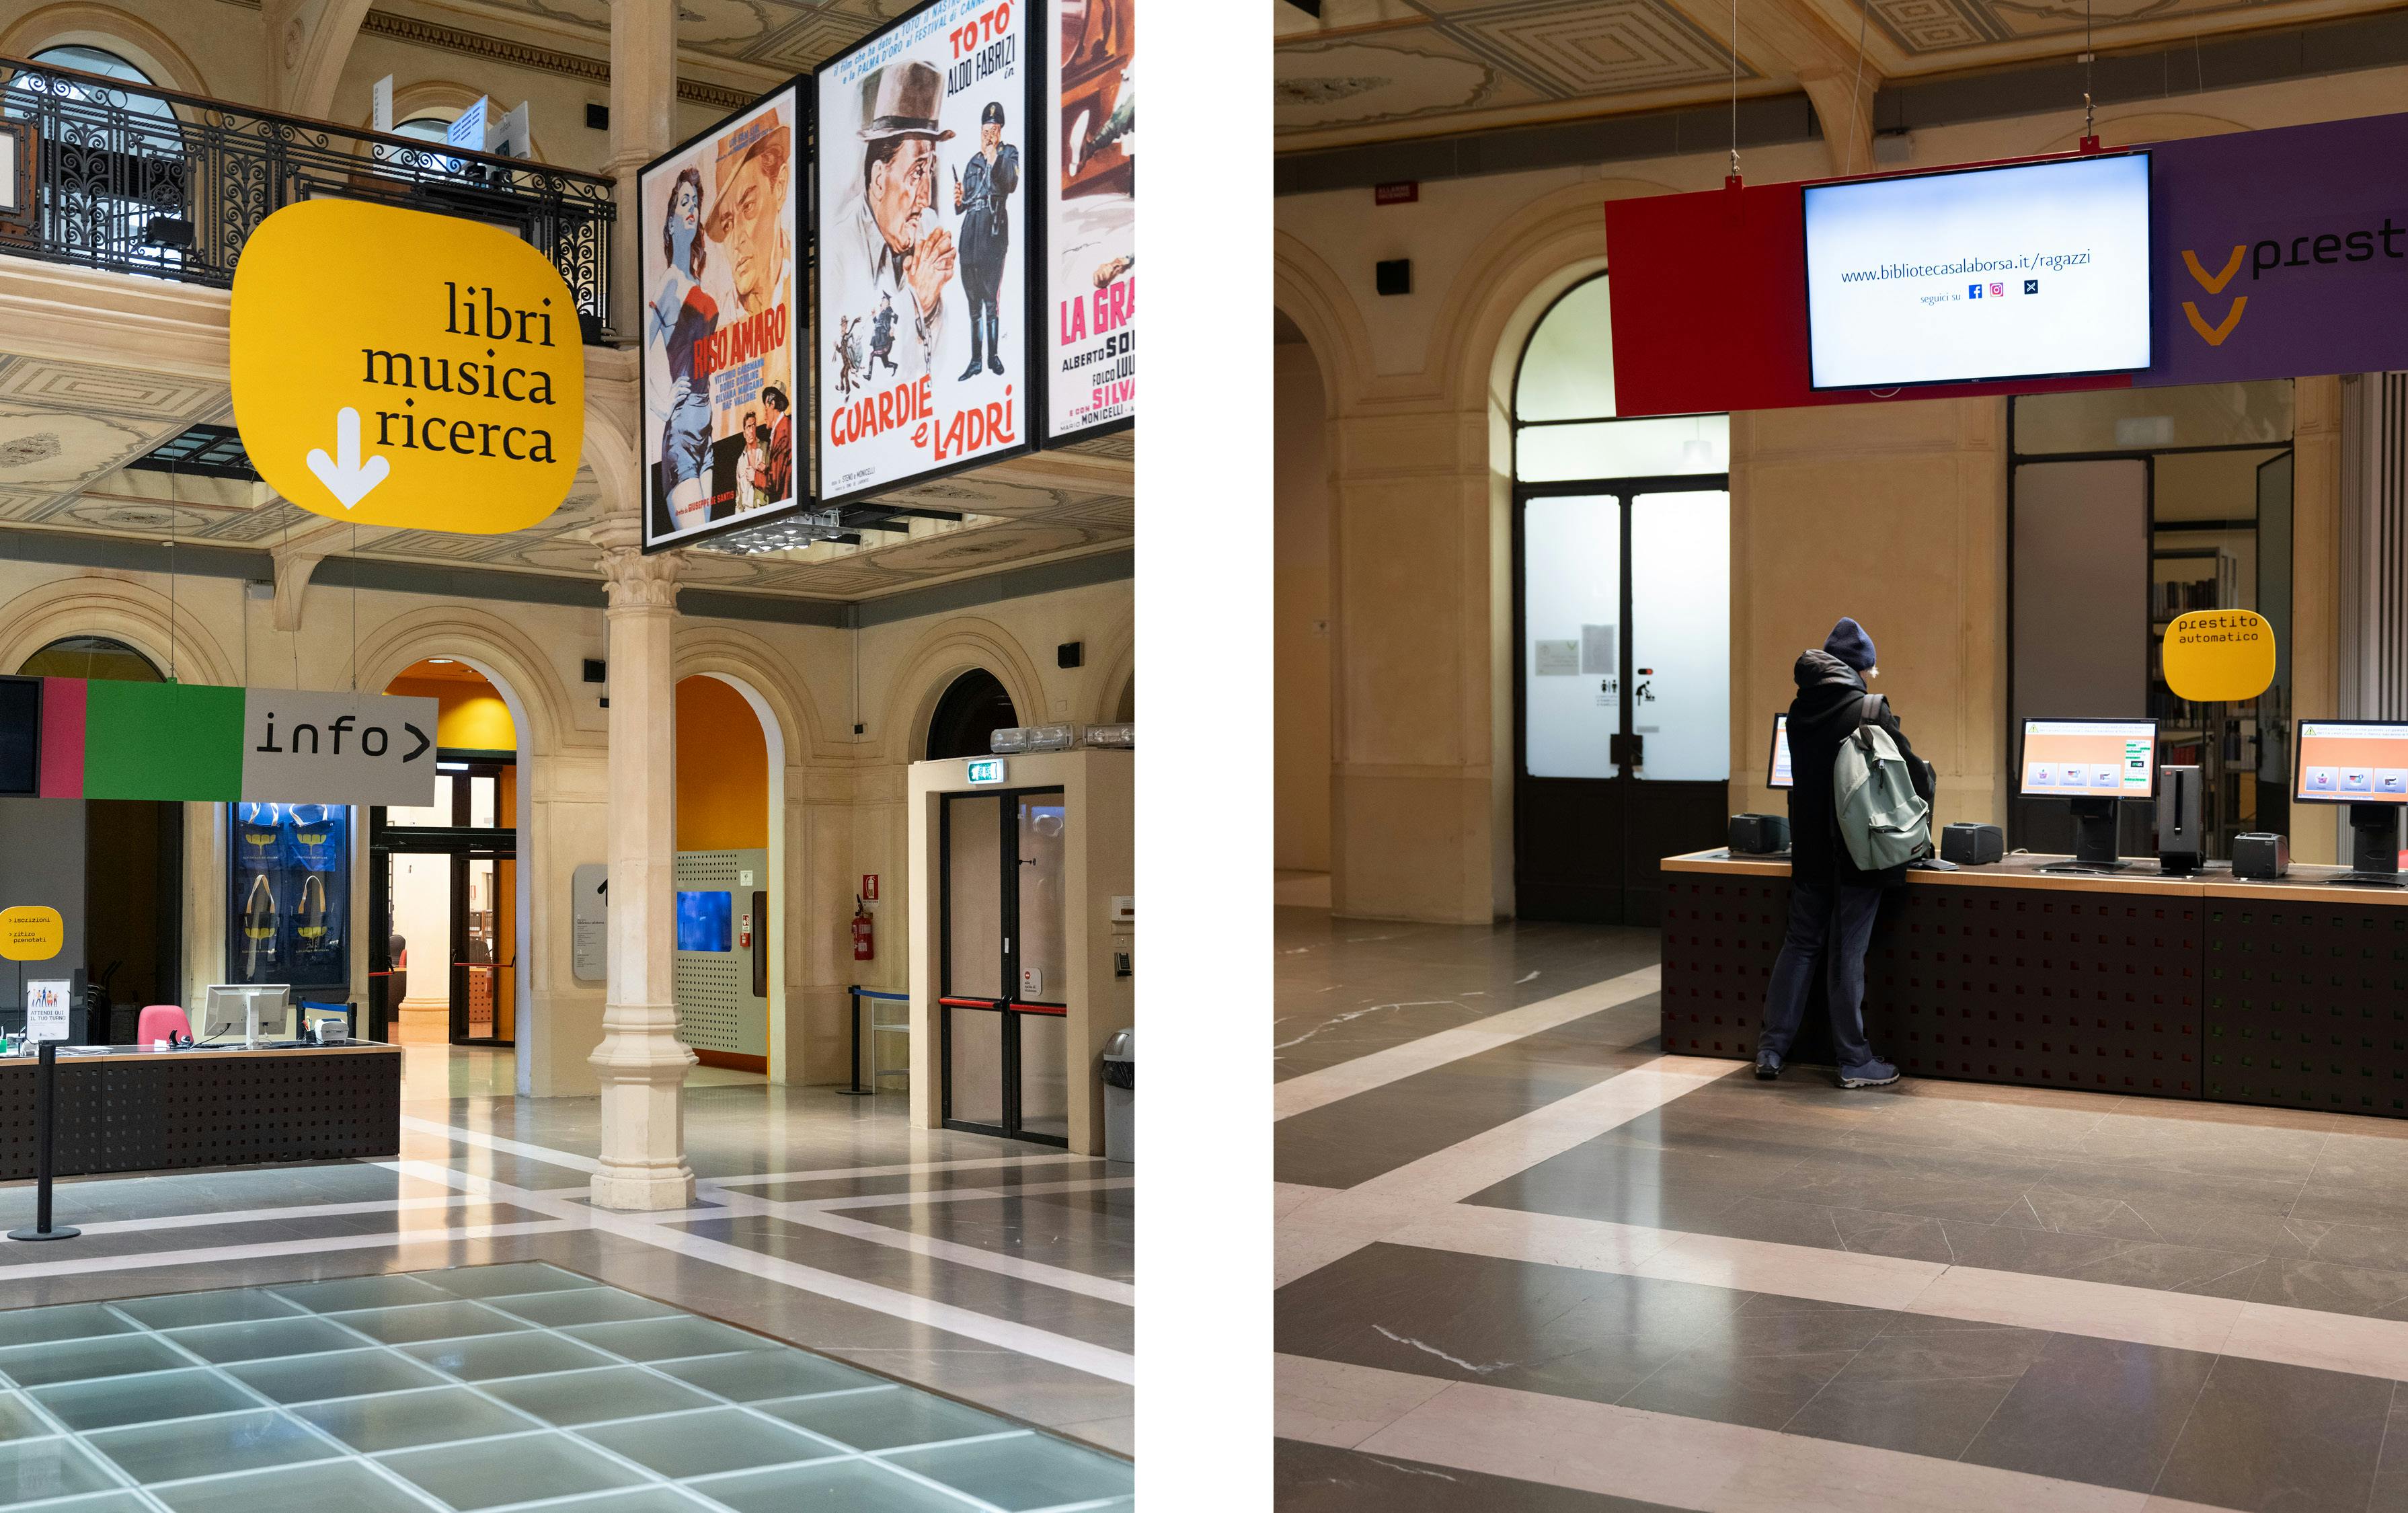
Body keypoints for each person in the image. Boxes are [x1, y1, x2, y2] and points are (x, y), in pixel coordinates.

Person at [1754, 617, 1931, 1089]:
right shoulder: (1869, 709)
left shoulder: (1798, 709)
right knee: (1845, 953)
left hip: (1808, 851)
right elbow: (1913, 778)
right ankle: (1854, 1061)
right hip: (1861, 852)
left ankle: (1771, 1049)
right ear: (1858, 668)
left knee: (1799, 945)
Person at [829, 61, 956, 383]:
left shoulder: (928, 225)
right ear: (879, 179)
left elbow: (943, 376)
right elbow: (854, 384)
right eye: (916, 172)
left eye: (930, 171)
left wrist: (932, 309)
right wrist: (918, 303)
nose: (926, 196)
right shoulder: (838, 252)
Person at [646, 166, 717, 533]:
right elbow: (640, 352)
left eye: (695, 203)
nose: (692, 208)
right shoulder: (669, 284)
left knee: (704, 542)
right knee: (694, 537)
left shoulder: (697, 281)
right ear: (672, 223)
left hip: (707, 426)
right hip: (682, 433)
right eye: (684, 203)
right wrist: (661, 403)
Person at [701, 114, 791, 319]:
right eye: (727, 225)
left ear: (780, 186)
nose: (736, 241)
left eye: (748, 206)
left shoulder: (800, 283)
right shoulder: (718, 322)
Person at [954, 100, 1018, 382]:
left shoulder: (1008, 154)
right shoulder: (972, 162)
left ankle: (993, 357)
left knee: (990, 302)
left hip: (992, 235)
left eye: (993, 128)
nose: (988, 134)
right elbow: (964, 203)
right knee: (973, 306)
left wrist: (994, 156)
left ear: (1000, 130)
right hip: (970, 237)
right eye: (985, 129)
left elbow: (1010, 184)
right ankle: (976, 361)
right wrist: (958, 201)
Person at [759, 384, 792, 503]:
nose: (764, 416)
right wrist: (767, 470)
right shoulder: (784, 428)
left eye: (765, 409)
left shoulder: (783, 432)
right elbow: (781, 470)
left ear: (772, 404)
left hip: (786, 506)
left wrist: (754, 476)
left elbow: (774, 484)